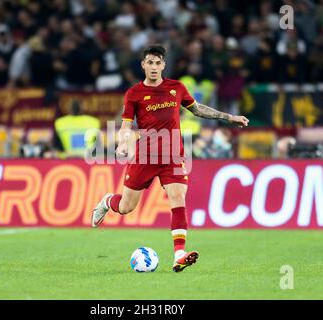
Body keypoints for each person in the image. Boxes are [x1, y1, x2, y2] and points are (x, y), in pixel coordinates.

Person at [91, 45, 249, 272]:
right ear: (143, 65)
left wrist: (228, 117)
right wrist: (123, 142)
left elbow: (197, 109)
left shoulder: (176, 87)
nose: (154, 67)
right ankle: (107, 201)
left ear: (163, 65)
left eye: (158, 63)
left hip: (173, 156)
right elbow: (126, 125)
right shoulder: (134, 93)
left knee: (177, 197)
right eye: (150, 63)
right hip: (145, 156)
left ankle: (179, 254)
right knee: (126, 207)